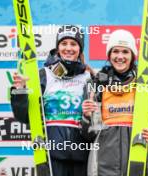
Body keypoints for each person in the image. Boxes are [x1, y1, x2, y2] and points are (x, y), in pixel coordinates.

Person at [10, 25, 93, 176]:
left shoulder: (87, 78)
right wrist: (20, 90)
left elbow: (95, 121)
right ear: (58, 47)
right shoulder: (43, 75)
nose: (69, 48)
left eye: (73, 44)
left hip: (82, 156)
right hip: (51, 156)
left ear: (80, 49)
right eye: (64, 43)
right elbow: (23, 117)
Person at [82, 29, 148, 176]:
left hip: (135, 162)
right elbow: (88, 135)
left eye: (125, 52)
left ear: (132, 56)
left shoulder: (143, 85)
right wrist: (87, 117)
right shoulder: (96, 84)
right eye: (115, 51)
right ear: (109, 55)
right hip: (101, 166)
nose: (120, 56)